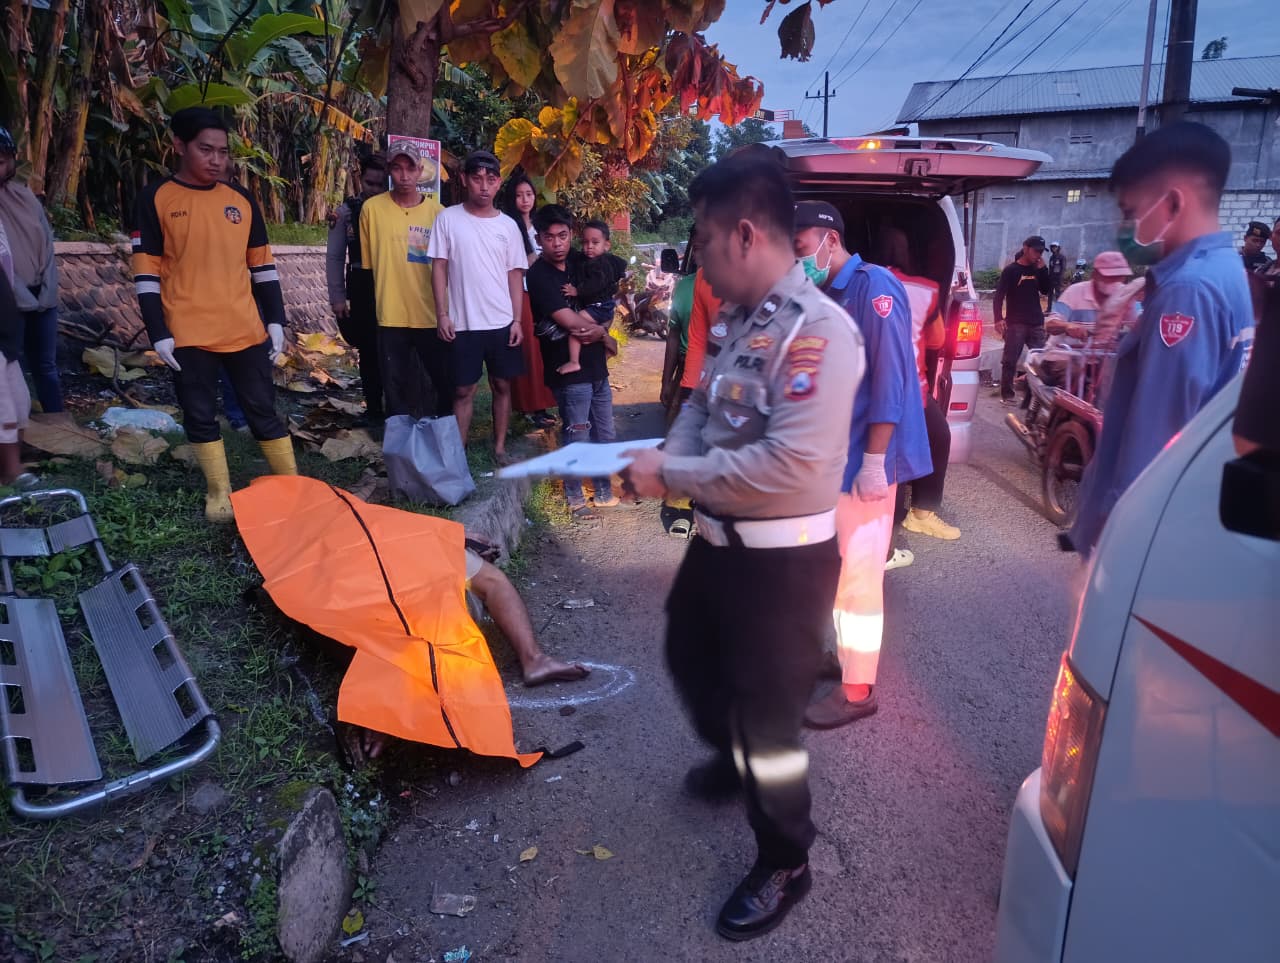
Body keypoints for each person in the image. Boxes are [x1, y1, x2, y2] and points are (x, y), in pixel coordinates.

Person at [622, 154, 863, 942]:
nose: (697, 259)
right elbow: (698, 406)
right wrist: (672, 459)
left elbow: (788, 466)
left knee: (771, 730)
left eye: (703, 242)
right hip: (719, 546)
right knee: (689, 655)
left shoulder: (820, 332)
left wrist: (674, 474)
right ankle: (734, 758)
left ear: (747, 234)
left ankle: (787, 857)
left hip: (782, 568)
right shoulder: (740, 322)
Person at [1069, 122, 1253, 558]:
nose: (1125, 227)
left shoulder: (1186, 292)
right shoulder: (1228, 272)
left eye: (1131, 212)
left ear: (1171, 203)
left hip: (1144, 540)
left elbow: (1152, 446)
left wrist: (1111, 548)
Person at [792, 201, 931, 730]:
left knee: (860, 578)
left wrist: (875, 461)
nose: (799, 258)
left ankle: (858, 690)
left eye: (802, 248)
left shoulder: (874, 289)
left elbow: (890, 382)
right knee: (835, 567)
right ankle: (842, 659)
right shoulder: (823, 293)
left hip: (868, 460)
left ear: (829, 239)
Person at [132, 107, 297, 522]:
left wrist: (275, 320)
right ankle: (219, 492)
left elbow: (262, 266)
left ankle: (294, 487)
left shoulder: (240, 200)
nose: (216, 160)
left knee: (263, 408)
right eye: (206, 150)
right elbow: (146, 274)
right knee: (200, 413)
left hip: (244, 327)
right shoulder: (155, 199)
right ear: (179, 146)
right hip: (186, 331)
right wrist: (158, 331)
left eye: (223, 152)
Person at [340, 544, 591, 765]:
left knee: (487, 582)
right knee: (424, 611)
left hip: (393, 546)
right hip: (380, 558)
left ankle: (534, 659)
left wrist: (457, 535)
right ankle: (533, 659)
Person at [428, 150, 528, 464]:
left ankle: (499, 448)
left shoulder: (509, 226)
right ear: (464, 180)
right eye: (476, 178)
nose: (483, 186)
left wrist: (517, 320)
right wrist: (442, 313)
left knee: (502, 384)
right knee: (463, 390)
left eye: (491, 179)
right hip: (462, 323)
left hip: (501, 322)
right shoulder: (447, 219)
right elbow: (439, 268)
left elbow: (515, 275)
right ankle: (458, 454)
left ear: (499, 184)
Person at [527, 205, 619, 519]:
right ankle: (575, 498)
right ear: (539, 238)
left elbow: (607, 298)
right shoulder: (538, 275)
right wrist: (606, 337)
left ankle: (603, 490)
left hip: (596, 367)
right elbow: (572, 324)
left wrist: (604, 336)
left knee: (604, 434)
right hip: (566, 369)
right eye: (549, 237)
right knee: (577, 432)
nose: (557, 243)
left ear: (571, 235)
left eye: (563, 236)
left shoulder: (584, 260)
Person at [879, 225, 961, 544]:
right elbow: (938, 340)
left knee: (881, 451)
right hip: (913, 391)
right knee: (937, 436)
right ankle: (920, 515)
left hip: (868, 389)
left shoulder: (857, 283)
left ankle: (882, 521)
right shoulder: (925, 289)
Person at [360, 142, 451, 421]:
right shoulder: (371, 210)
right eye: (397, 168)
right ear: (389, 170)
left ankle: (446, 440)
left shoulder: (438, 213)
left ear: (420, 170)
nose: (404, 175)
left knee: (445, 384)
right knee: (394, 389)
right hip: (390, 315)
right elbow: (367, 268)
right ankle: (399, 450)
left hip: (431, 315)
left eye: (410, 168)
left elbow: (448, 269)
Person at [0, 126, 63, 415]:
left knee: (47, 367)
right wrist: (21, 295)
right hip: (9, 302)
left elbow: (46, 243)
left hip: (42, 298)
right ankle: (17, 432)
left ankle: (58, 424)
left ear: (12, 160)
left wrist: (48, 289)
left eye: (1, 160)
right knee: (13, 368)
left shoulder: (24, 196)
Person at [327, 153, 389, 421]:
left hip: (392, 283)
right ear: (360, 179)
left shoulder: (395, 209)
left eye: (380, 184)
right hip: (361, 284)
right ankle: (374, 409)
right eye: (369, 183)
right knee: (368, 349)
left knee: (394, 348)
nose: (374, 190)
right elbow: (335, 257)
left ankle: (397, 407)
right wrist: (337, 297)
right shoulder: (345, 213)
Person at [500, 172, 557, 428]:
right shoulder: (508, 225)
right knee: (530, 351)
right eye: (519, 195)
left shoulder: (541, 224)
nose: (525, 200)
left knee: (548, 348)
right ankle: (529, 406)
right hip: (520, 294)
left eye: (529, 194)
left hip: (545, 293)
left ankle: (544, 403)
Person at [555, 219, 627, 375]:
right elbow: (575, 255)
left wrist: (577, 291)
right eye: (585, 242)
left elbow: (596, 283)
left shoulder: (602, 264)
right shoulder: (587, 259)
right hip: (599, 306)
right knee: (588, 330)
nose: (589, 247)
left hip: (600, 306)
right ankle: (607, 351)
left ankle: (574, 362)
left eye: (595, 242)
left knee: (575, 324)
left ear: (606, 245)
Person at [994, 235, 1052, 405]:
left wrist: (1043, 270)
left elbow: (1046, 290)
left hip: (1036, 322)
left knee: (1041, 362)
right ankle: (1008, 395)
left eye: (1041, 252)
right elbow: (999, 295)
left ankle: (1033, 398)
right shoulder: (1011, 270)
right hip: (1016, 322)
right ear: (1025, 248)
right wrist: (998, 319)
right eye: (1036, 251)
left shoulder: (1038, 269)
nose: (1038, 255)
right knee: (1010, 360)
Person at [0, 218, 35, 488]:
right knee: (5, 410)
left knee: (20, 403)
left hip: (7, 336)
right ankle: (12, 472)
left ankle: (9, 470)